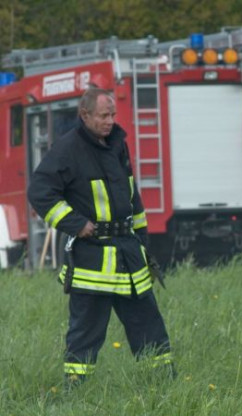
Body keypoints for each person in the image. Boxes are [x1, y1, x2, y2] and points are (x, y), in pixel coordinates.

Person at [27, 88, 174, 384]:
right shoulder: (68, 148)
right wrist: (74, 223)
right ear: (85, 115)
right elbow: (39, 192)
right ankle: (76, 391)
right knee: (85, 333)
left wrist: (143, 244)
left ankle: (163, 385)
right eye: (103, 116)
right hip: (92, 259)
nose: (110, 121)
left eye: (113, 115)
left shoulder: (117, 143)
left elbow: (132, 199)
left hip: (129, 255)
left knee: (149, 324)